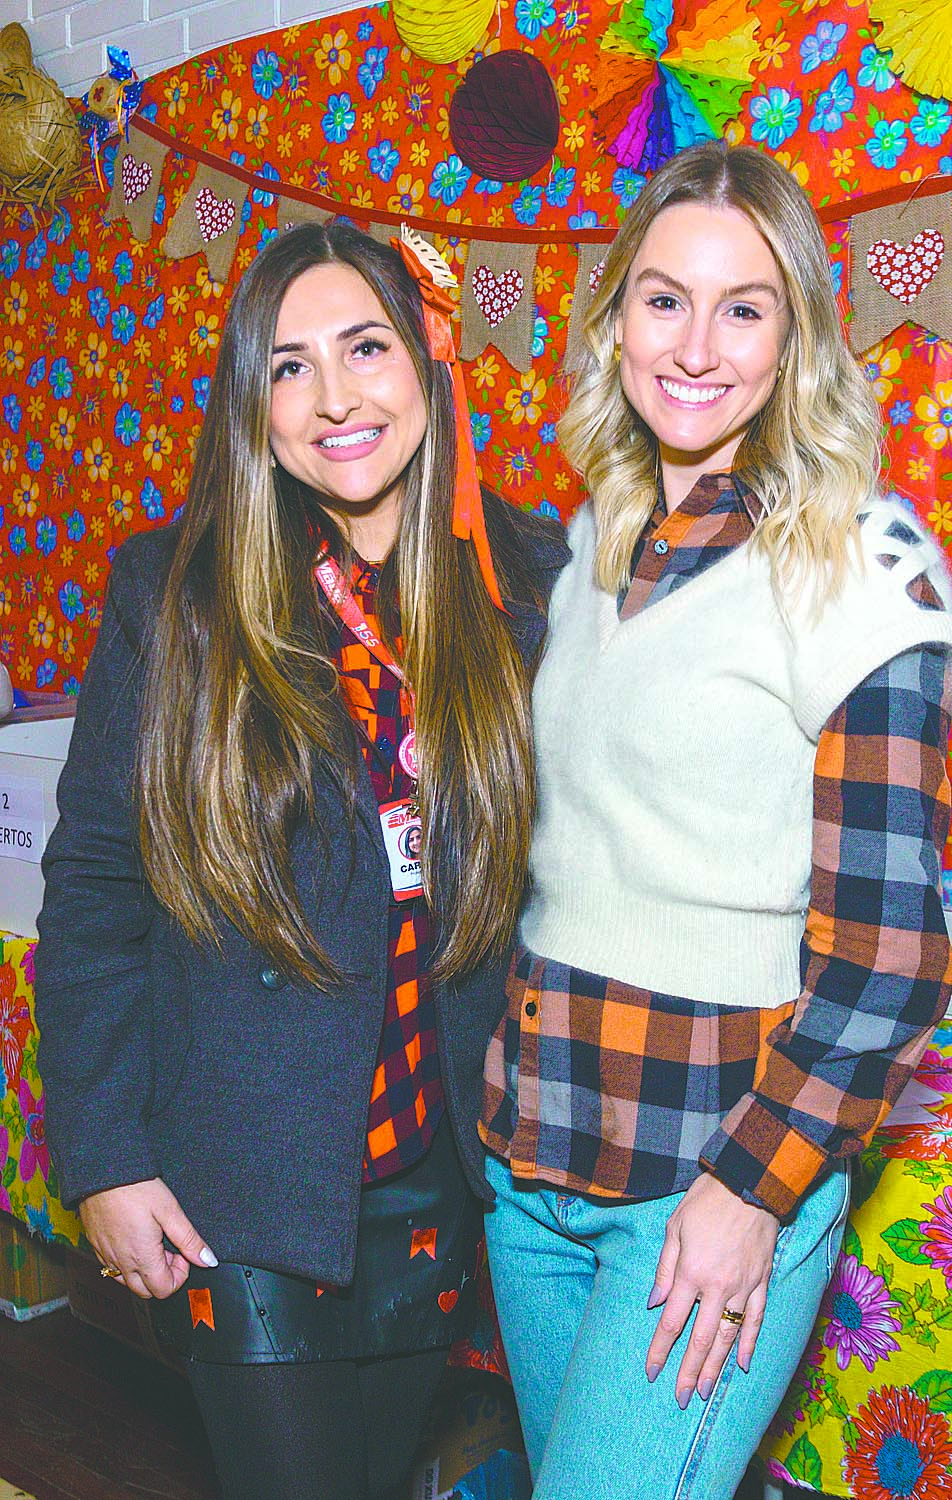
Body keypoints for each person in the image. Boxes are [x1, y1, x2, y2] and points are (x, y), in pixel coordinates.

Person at [34, 220, 567, 1500]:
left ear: (427, 361)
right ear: (253, 407)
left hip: (437, 1161)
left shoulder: (529, 582)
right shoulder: (176, 593)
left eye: (365, 347)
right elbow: (95, 892)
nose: (335, 397)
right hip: (242, 1179)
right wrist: (103, 1157)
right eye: (288, 366)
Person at [480, 141, 952, 1500]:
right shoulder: (595, 544)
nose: (696, 347)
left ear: (795, 335)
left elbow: (889, 959)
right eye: (664, 299)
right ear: (614, 320)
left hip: (704, 1178)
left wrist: (750, 1192)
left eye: (743, 307)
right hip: (533, 1171)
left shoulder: (858, 568)